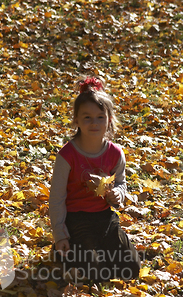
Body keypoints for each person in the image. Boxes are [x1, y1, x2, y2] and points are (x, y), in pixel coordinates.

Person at [49, 75, 141, 285]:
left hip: (104, 217)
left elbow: (120, 183)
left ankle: (95, 250)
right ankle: (63, 251)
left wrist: (117, 193)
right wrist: (60, 235)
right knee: (97, 274)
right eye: (87, 117)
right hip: (76, 219)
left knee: (131, 268)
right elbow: (56, 199)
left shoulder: (115, 153)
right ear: (77, 120)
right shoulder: (67, 156)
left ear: (109, 119)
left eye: (100, 117)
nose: (94, 123)